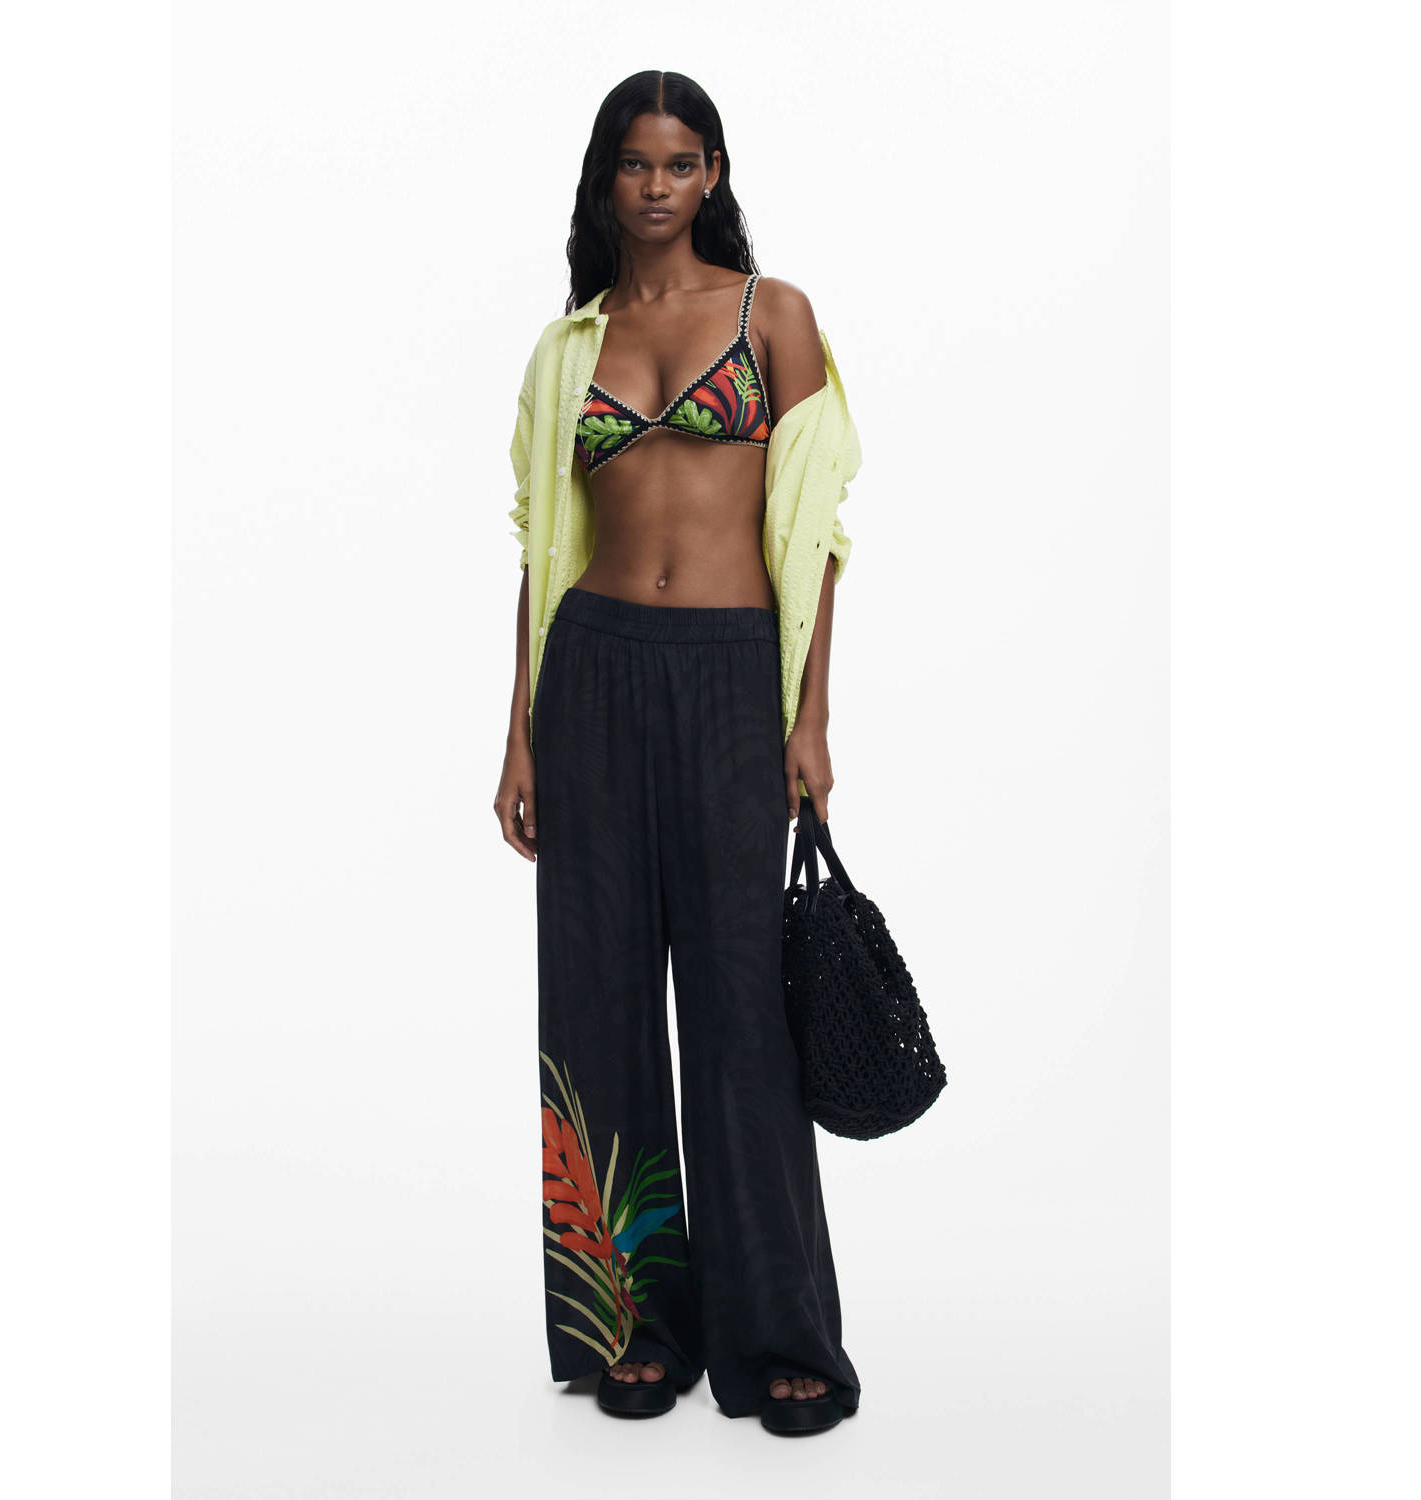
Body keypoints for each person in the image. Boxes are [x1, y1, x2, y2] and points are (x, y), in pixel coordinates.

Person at [495, 70, 864, 1436]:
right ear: (606, 176)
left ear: (713, 174)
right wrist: (520, 734)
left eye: (681, 162)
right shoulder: (568, 348)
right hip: (591, 675)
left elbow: (820, 535)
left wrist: (807, 718)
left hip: (726, 679)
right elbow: (540, 549)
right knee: (594, 1006)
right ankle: (633, 1324)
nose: (656, 186)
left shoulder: (775, 318)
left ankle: (778, 1332)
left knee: (739, 1011)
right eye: (635, 163)